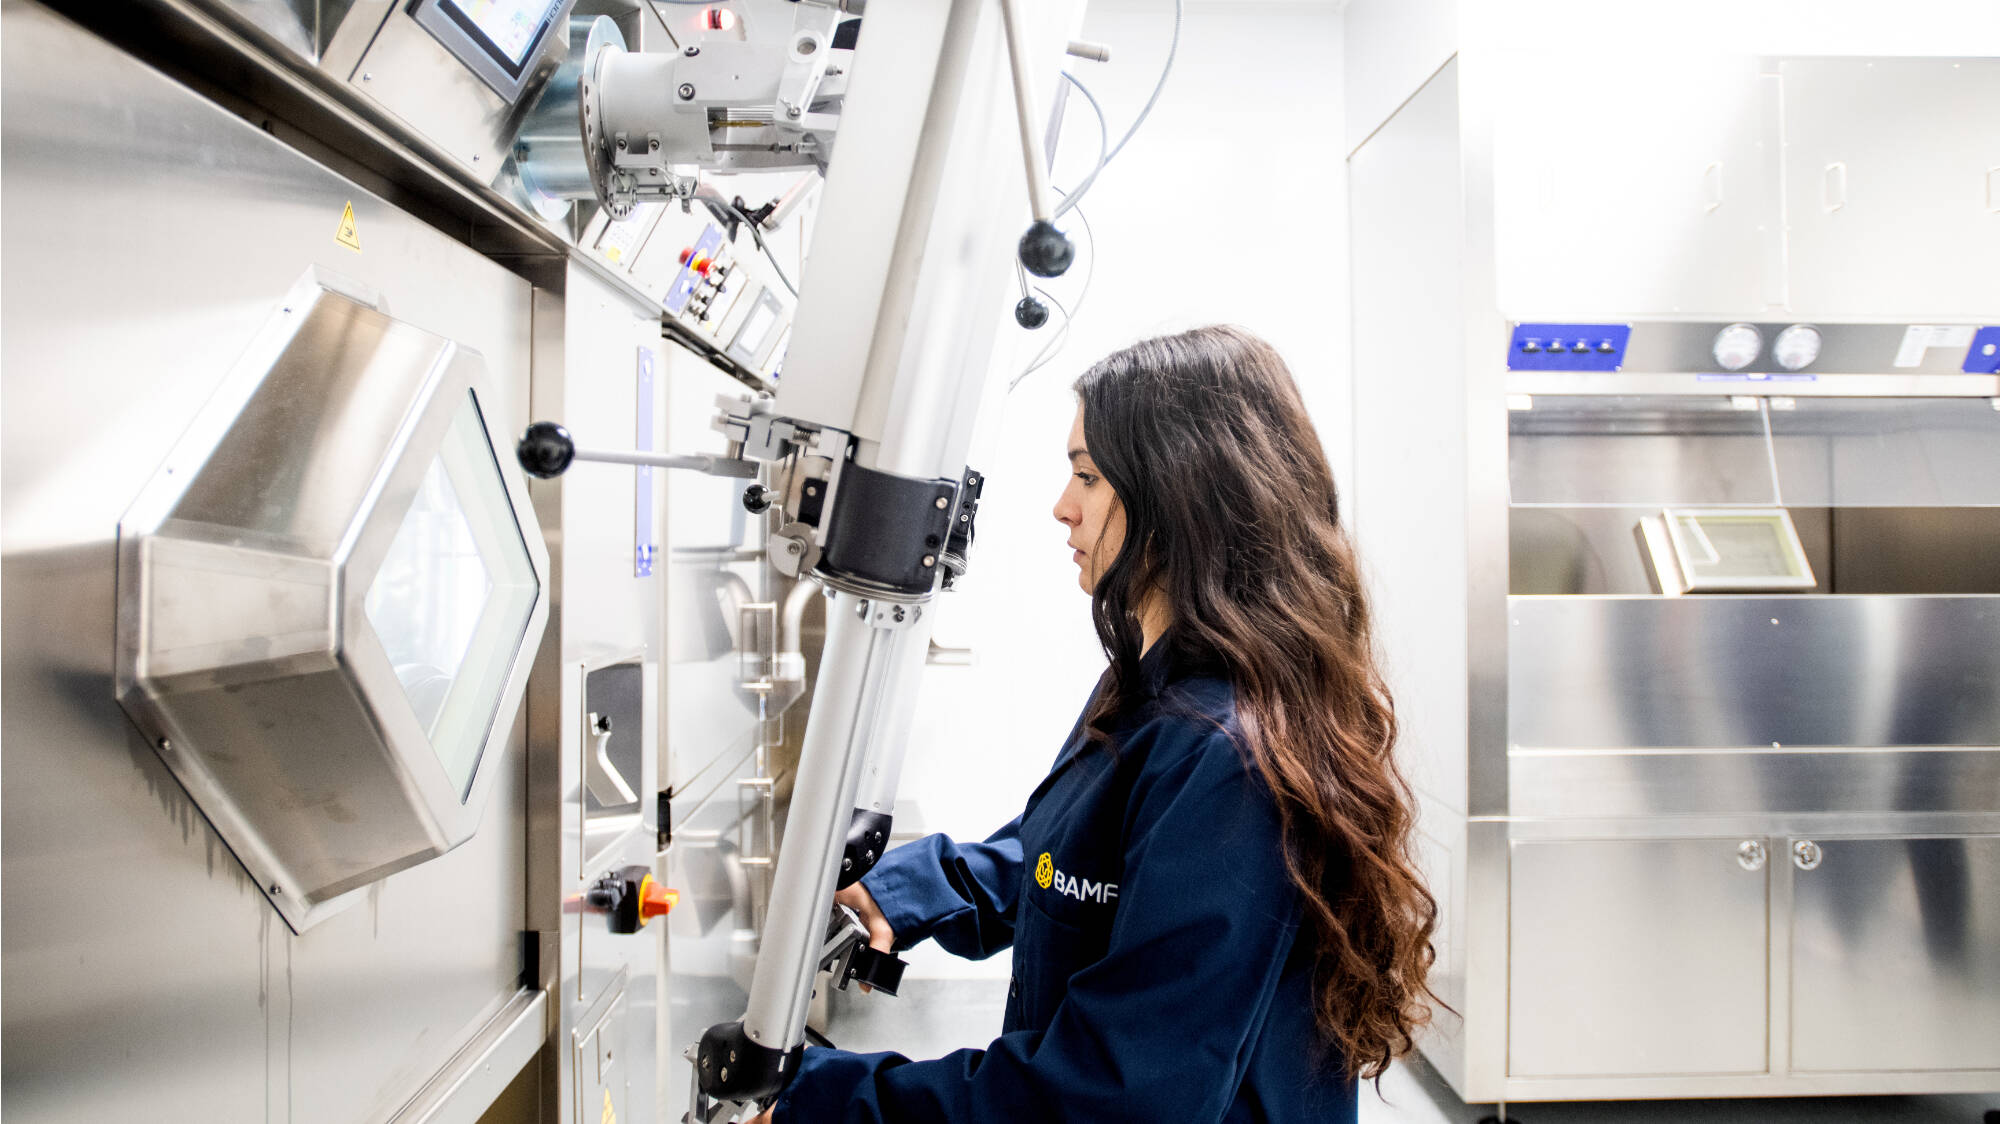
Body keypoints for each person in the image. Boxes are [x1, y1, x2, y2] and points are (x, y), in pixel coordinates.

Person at [754, 325, 1439, 1123]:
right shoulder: (1157, 680)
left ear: (1177, 491)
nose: (1062, 507)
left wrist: (834, 1103)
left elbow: (1116, 1092)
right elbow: (1080, 854)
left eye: (1086, 475)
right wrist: (912, 892)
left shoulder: (1227, 756)